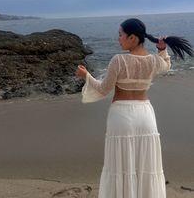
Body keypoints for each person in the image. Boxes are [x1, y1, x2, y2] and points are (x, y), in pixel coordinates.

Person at [75, 18, 193, 198]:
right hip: (145, 115)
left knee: (120, 167)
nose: (118, 39)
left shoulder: (118, 60)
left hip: (121, 116)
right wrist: (161, 49)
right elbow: (166, 65)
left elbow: (103, 89)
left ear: (132, 38)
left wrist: (86, 76)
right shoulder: (153, 61)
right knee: (146, 165)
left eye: (120, 35)